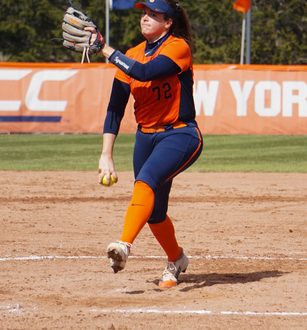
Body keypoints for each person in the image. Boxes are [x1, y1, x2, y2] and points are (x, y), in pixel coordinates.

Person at [93, 0, 202, 288]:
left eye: (154, 14)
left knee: (147, 180)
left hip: (180, 134)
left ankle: (124, 246)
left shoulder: (178, 47)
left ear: (168, 23)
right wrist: (106, 154)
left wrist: (104, 48)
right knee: (154, 213)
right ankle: (176, 260)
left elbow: (145, 72)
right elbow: (115, 108)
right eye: (144, 13)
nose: (145, 18)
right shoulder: (131, 54)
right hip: (145, 137)